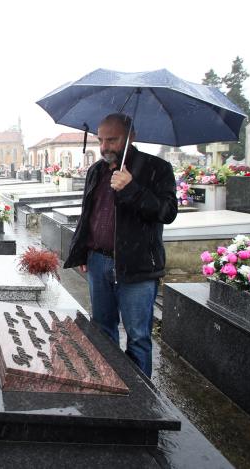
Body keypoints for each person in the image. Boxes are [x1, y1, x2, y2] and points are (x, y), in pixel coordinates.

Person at [63, 113, 177, 377]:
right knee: (102, 331)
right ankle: (110, 388)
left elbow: (167, 212)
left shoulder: (156, 168)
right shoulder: (96, 170)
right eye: (100, 140)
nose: (104, 147)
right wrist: (84, 250)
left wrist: (131, 188)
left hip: (136, 267)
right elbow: (89, 215)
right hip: (98, 262)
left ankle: (142, 404)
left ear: (131, 137)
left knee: (138, 337)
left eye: (112, 140)